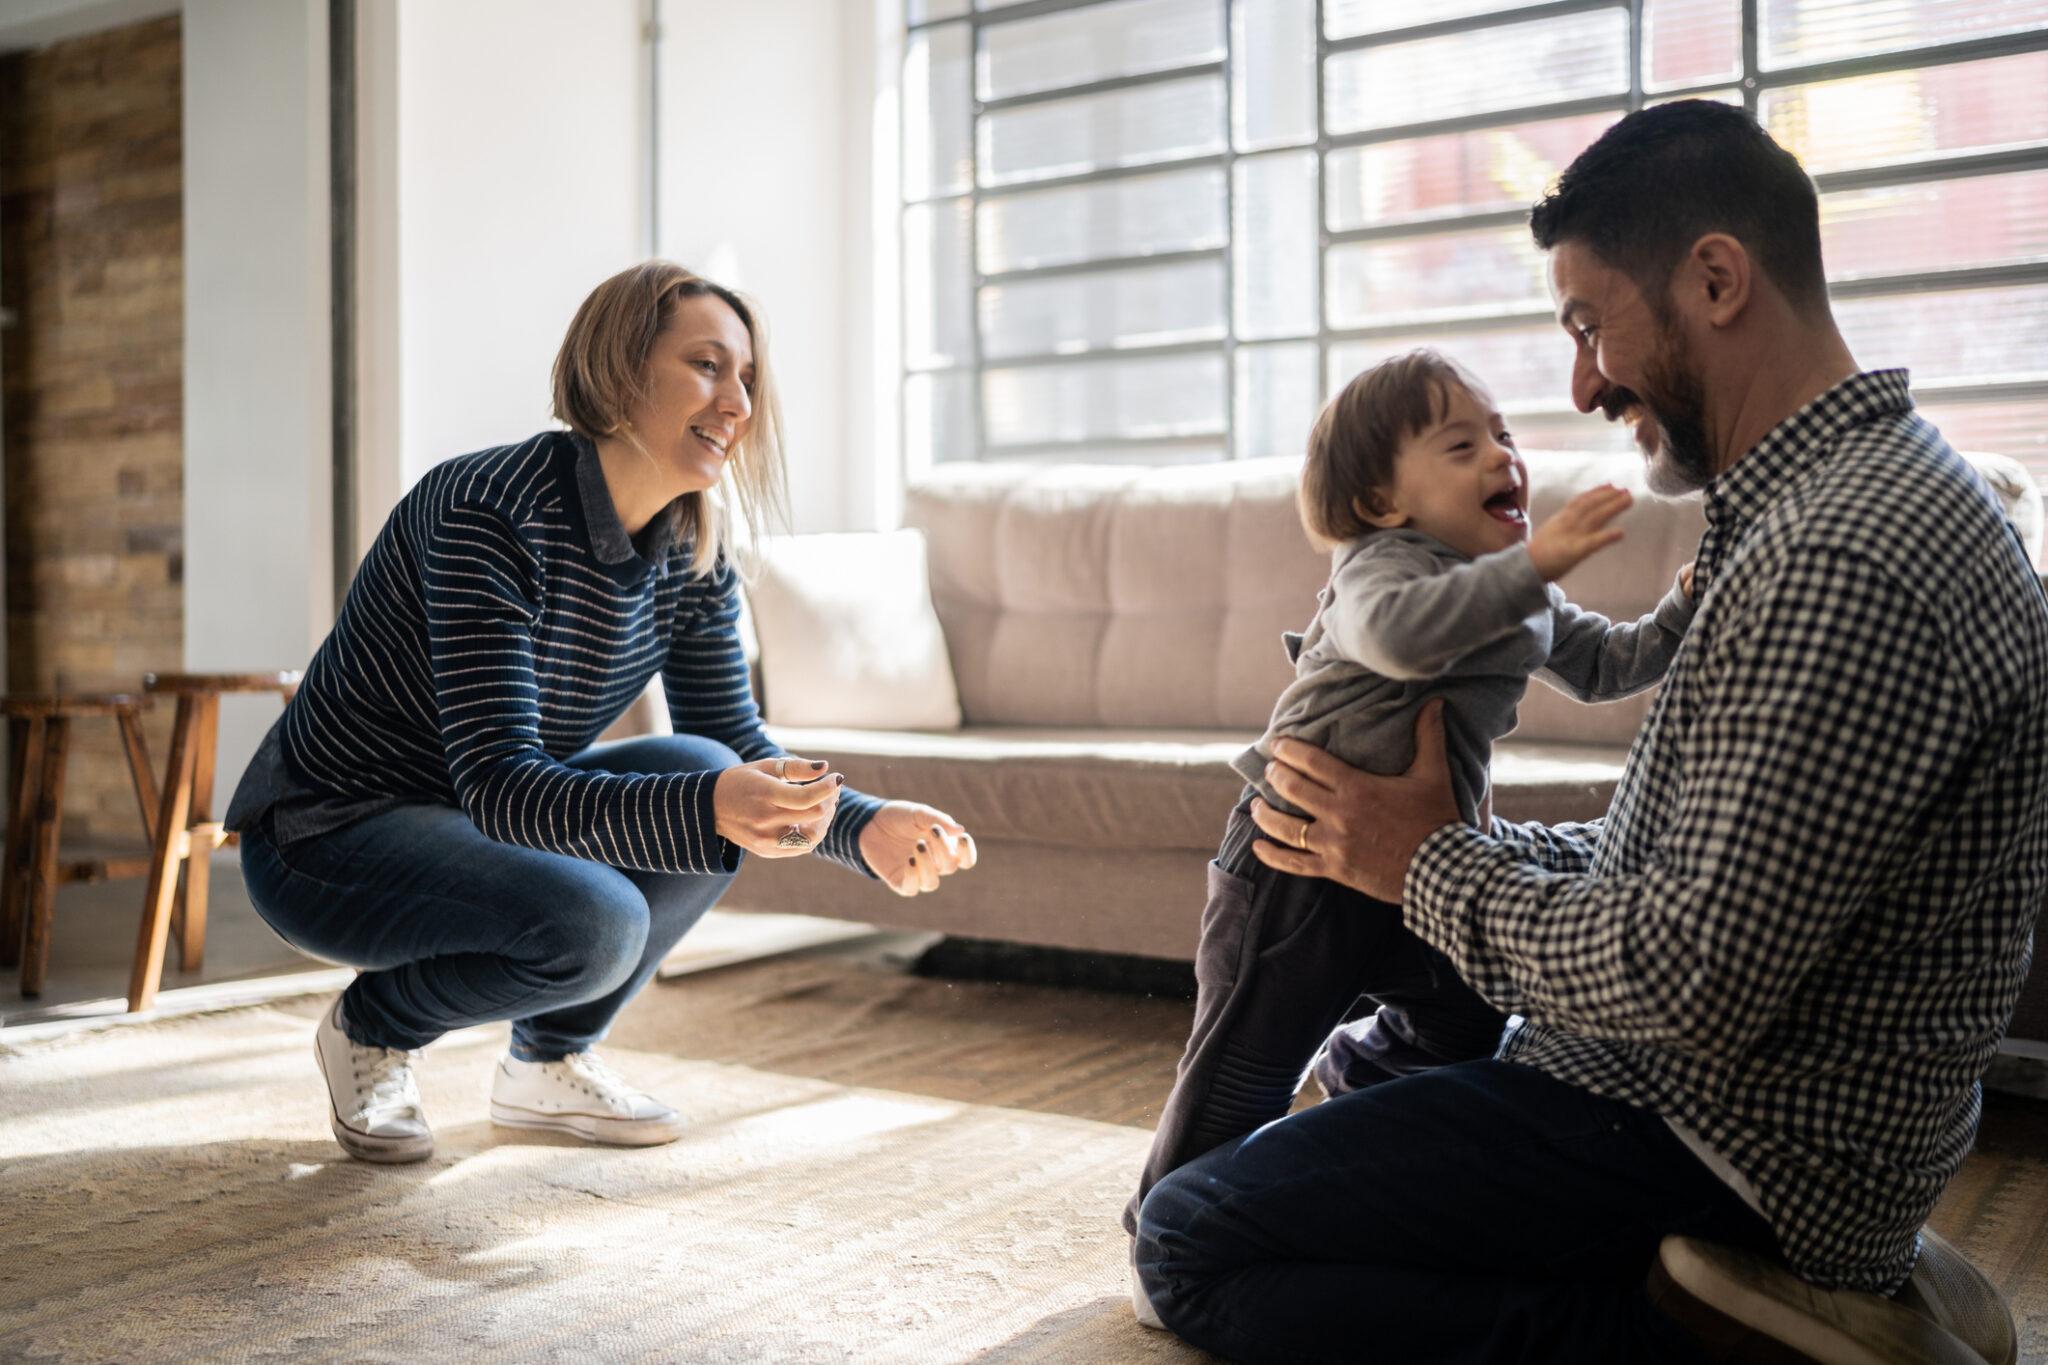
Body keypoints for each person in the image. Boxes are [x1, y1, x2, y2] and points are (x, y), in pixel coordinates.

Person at [1133, 100, 2040, 1364]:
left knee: (1187, 1239)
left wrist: (1424, 867)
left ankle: (1723, 1325)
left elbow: (1682, 976)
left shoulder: (1840, 555)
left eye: (1586, 323)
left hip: (1707, 1134)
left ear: (1714, 279)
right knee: (1297, 1151)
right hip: (1720, 1110)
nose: (1579, 384)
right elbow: (1673, 852)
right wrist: (1460, 841)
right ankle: (1806, 1277)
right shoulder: (1820, 508)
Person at [225, 261, 978, 1166]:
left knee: (703, 761)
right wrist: (710, 809)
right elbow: (503, 787)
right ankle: (371, 1028)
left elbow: (738, 749)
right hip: (326, 837)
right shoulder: (486, 511)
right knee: (598, 920)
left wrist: (860, 827)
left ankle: (546, 1061)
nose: (738, 402)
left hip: (469, 822)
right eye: (707, 364)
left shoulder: (695, 551)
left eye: (748, 377)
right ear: (621, 369)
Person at [1125, 349, 1697, 1254]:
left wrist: (1679, 613)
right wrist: (1532, 562)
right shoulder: (1378, 570)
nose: (1502, 456)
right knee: (1244, 1067)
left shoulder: (1520, 589)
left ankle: (1361, 1080)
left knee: (1468, 1025)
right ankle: (1166, 1234)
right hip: (1295, 868)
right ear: (1384, 503)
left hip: (1416, 867)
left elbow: (1603, 666)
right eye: (1461, 445)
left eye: (1504, 435)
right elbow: (1397, 639)